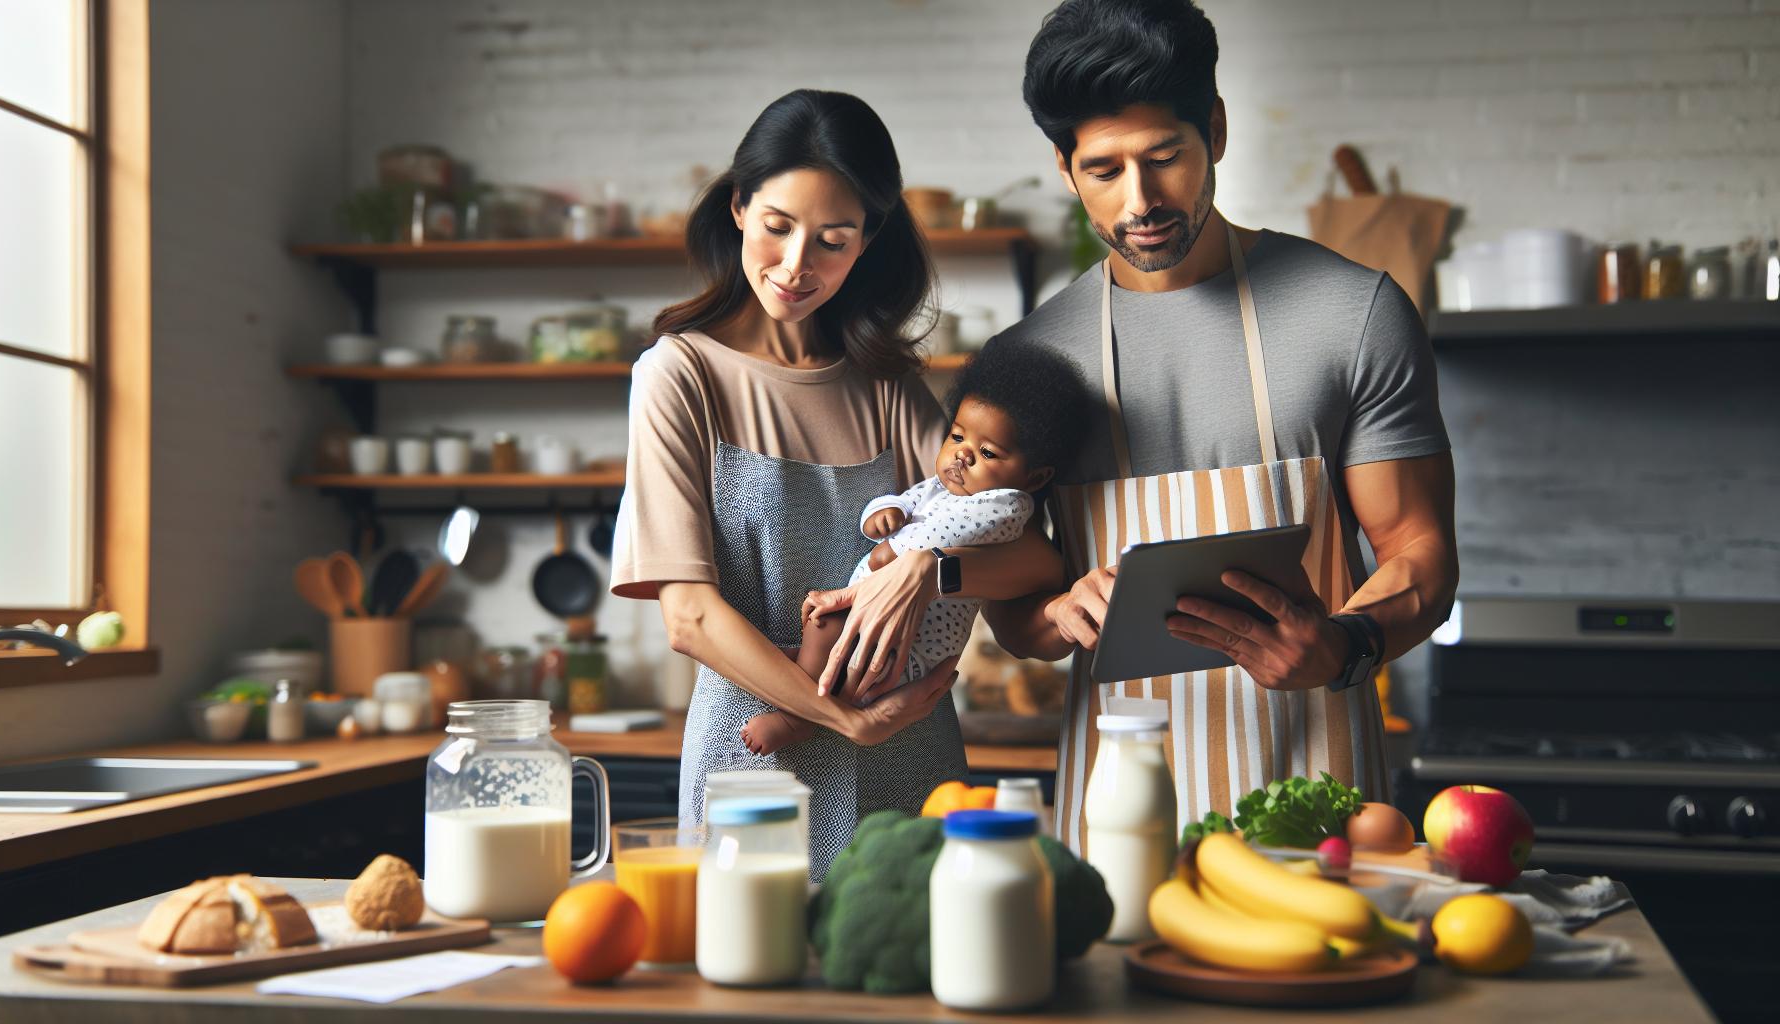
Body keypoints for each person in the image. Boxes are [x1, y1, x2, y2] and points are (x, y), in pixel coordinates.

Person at [828, 0, 1460, 854]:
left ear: (1218, 131)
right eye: (1105, 170)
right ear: (1063, 164)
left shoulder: (1352, 313)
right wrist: (1062, 610)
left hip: (1324, 811)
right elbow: (1019, 613)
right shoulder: (1033, 362)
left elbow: (1419, 549)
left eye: (1166, 158)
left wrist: (1344, 646)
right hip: (1115, 818)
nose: (1142, 201)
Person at [608, 89, 1062, 877]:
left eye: (832, 240)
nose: (794, 266)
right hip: (753, 772)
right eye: (778, 226)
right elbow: (687, 616)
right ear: (741, 208)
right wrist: (840, 718)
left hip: (915, 768)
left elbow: (1036, 556)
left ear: (867, 242)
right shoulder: (677, 376)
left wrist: (930, 568)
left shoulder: (887, 385)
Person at [741, 344, 1093, 757]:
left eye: (986, 453)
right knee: (825, 626)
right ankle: (810, 670)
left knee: (830, 628)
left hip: (917, 640)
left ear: (1034, 477)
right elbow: (905, 502)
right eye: (957, 436)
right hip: (878, 613)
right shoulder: (940, 487)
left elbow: (943, 534)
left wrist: (895, 551)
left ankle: (798, 717)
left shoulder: (1005, 505)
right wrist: (882, 512)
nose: (962, 454)